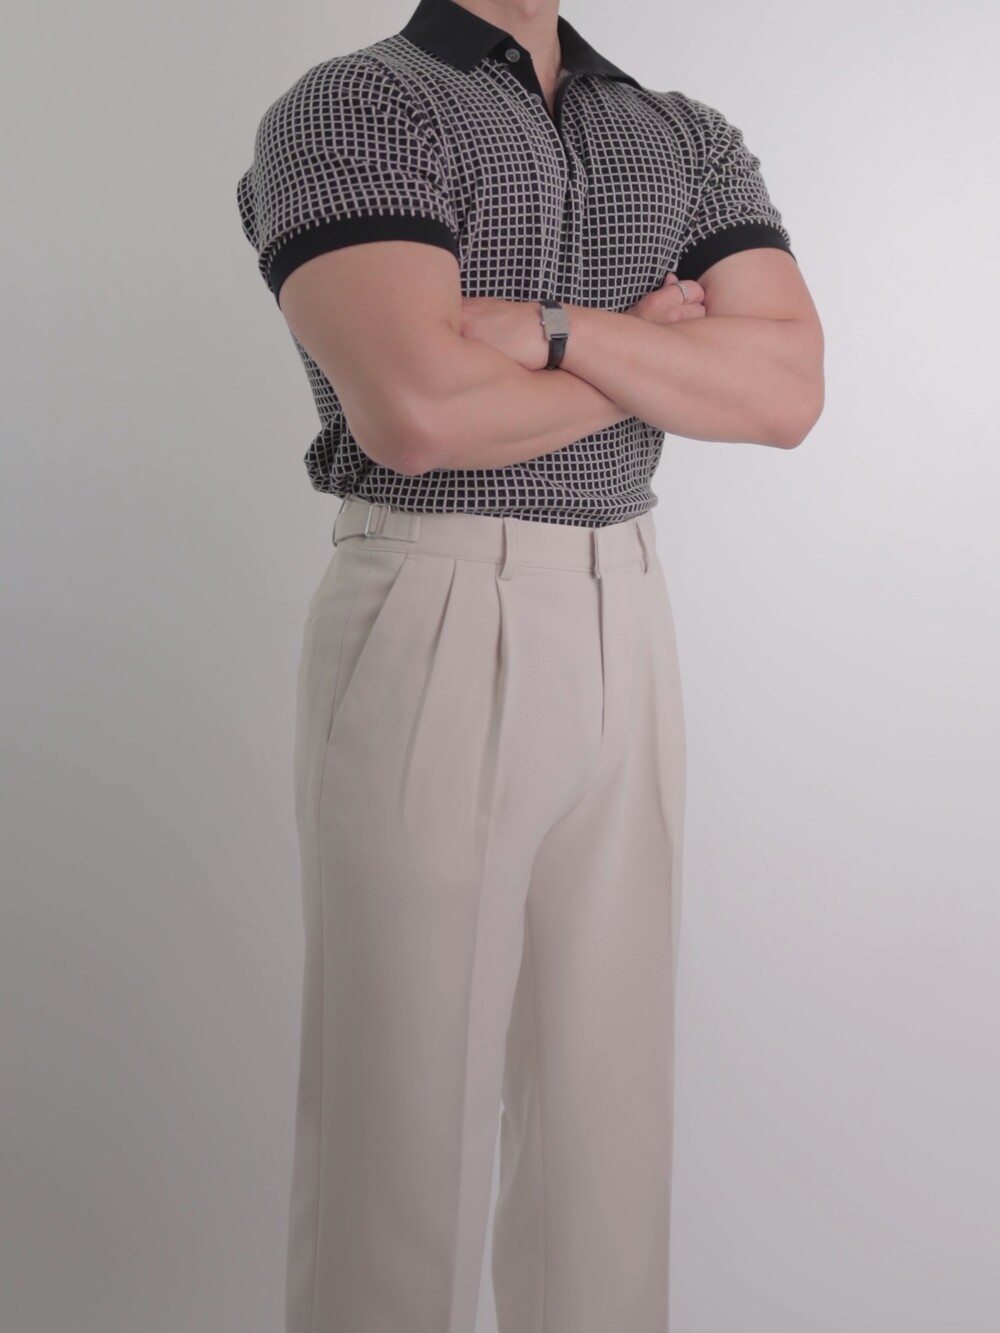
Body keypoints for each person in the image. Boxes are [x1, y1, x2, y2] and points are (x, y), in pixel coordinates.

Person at [235, 0, 824, 1329]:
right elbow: (418, 413)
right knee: (402, 1131)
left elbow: (786, 392)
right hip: (435, 599)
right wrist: (663, 351)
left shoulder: (681, 134)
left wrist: (555, 329)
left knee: (607, 1137)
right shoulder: (356, 107)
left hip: (630, 605)